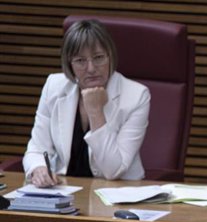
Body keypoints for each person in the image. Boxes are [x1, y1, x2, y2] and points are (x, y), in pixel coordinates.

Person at [23, 19, 150, 187]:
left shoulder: (136, 96)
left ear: (110, 56)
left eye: (98, 58)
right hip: (64, 190)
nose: (91, 68)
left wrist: (96, 112)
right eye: (81, 60)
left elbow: (113, 171)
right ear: (70, 63)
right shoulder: (54, 86)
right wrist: (38, 168)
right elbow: (37, 148)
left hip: (118, 193)